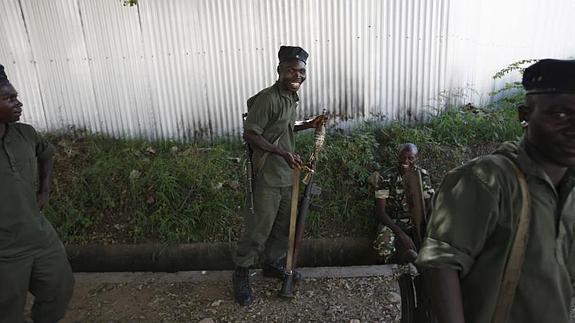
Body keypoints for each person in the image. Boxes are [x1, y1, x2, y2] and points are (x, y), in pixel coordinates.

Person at [415, 59, 575, 323]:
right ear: (524, 116)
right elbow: (441, 264)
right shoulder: (486, 179)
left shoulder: (568, 189)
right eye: (559, 115)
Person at [232, 46, 325, 306]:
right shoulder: (268, 98)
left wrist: (310, 124)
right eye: (291, 70)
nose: (297, 75)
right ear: (280, 71)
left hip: (287, 176)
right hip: (267, 176)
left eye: (301, 71)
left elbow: (284, 126)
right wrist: (282, 153)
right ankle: (241, 273)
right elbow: (251, 134)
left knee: (284, 227)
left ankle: (271, 265)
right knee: (258, 228)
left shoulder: (290, 98)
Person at [0, 64, 74, 322]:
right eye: (9, 98)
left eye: (16, 95)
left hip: (38, 236)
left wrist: (45, 190)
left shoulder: (25, 134)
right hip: (4, 252)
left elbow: (47, 154)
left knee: (60, 288)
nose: (18, 103)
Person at [370, 143, 434, 263]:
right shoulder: (387, 177)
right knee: (383, 247)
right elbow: (380, 212)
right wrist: (401, 234)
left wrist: (426, 228)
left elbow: (429, 206)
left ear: (416, 158)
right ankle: (388, 272)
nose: (406, 161)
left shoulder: (422, 176)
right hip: (392, 222)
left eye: (410, 158)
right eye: (403, 157)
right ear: (398, 157)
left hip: (415, 221)